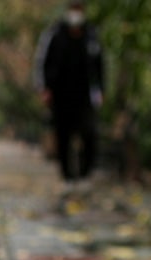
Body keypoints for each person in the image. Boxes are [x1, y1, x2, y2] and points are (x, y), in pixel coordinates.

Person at [35, 1, 105, 183]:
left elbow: (100, 65)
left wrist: (101, 90)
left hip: (84, 94)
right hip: (60, 94)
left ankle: (85, 172)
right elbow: (42, 62)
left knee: (88, 132)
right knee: (63, 134)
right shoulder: (55, 33)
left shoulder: (91, 35)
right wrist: (44, 88)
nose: (76, 13)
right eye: (73, 9)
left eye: (79, 9)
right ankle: (67, 175)